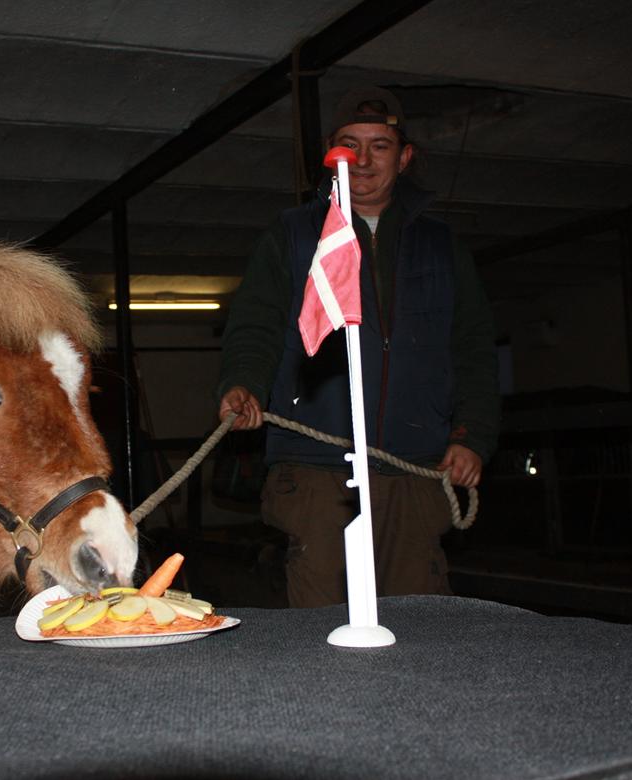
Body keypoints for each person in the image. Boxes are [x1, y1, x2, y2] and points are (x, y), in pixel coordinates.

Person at [216, 86, 499, 608]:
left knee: (421, 617)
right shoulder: (292, 234)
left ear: (405, 156)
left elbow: (475, 347)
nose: (363, 160)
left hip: (415, 467)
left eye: (380, 146)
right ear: (330, 154)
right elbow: (256, 323)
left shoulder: (441, 245)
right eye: (350, 145)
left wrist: (472, 434)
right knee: (320, 618)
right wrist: (243, 385)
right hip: (315, 467)